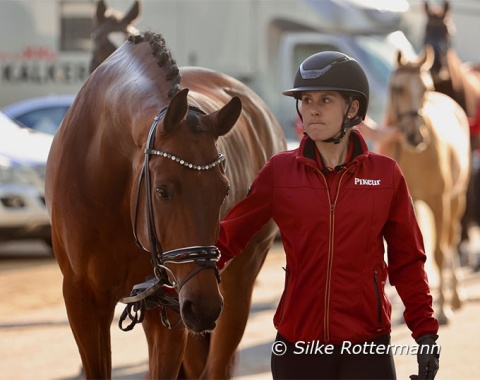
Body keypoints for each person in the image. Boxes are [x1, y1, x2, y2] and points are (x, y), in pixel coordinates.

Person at [216, 51, 440, 379]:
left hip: (367, 347)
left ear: (353, 109)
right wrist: (176, 282)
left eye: (325, 100)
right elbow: (227, 238)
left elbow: (408, 261)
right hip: (298, 347)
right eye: (306, 100)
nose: (313, 109)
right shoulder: (279, 172)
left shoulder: (386, 175)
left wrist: (425, 333)